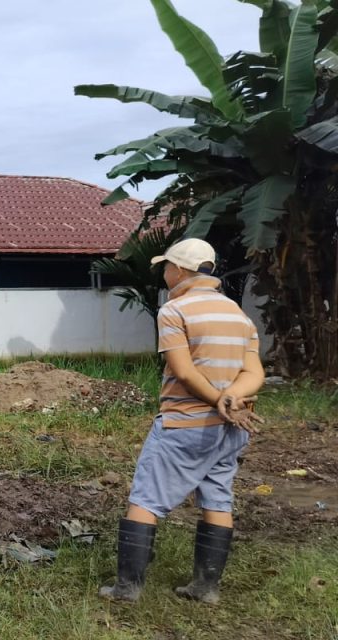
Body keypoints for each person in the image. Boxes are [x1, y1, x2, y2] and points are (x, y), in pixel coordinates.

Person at [100, 238, 264, 604]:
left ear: (180, 270)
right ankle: (205, 588)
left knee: (144, 498)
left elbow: (184, 372)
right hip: (231, 428)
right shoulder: (239, 315)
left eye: (165, 267)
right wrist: (232, 401)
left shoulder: (174, 311)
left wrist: (218, 400)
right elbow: (255, 372)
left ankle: (127, 589)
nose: (163, 273)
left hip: (184, 425)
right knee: (217, 499)